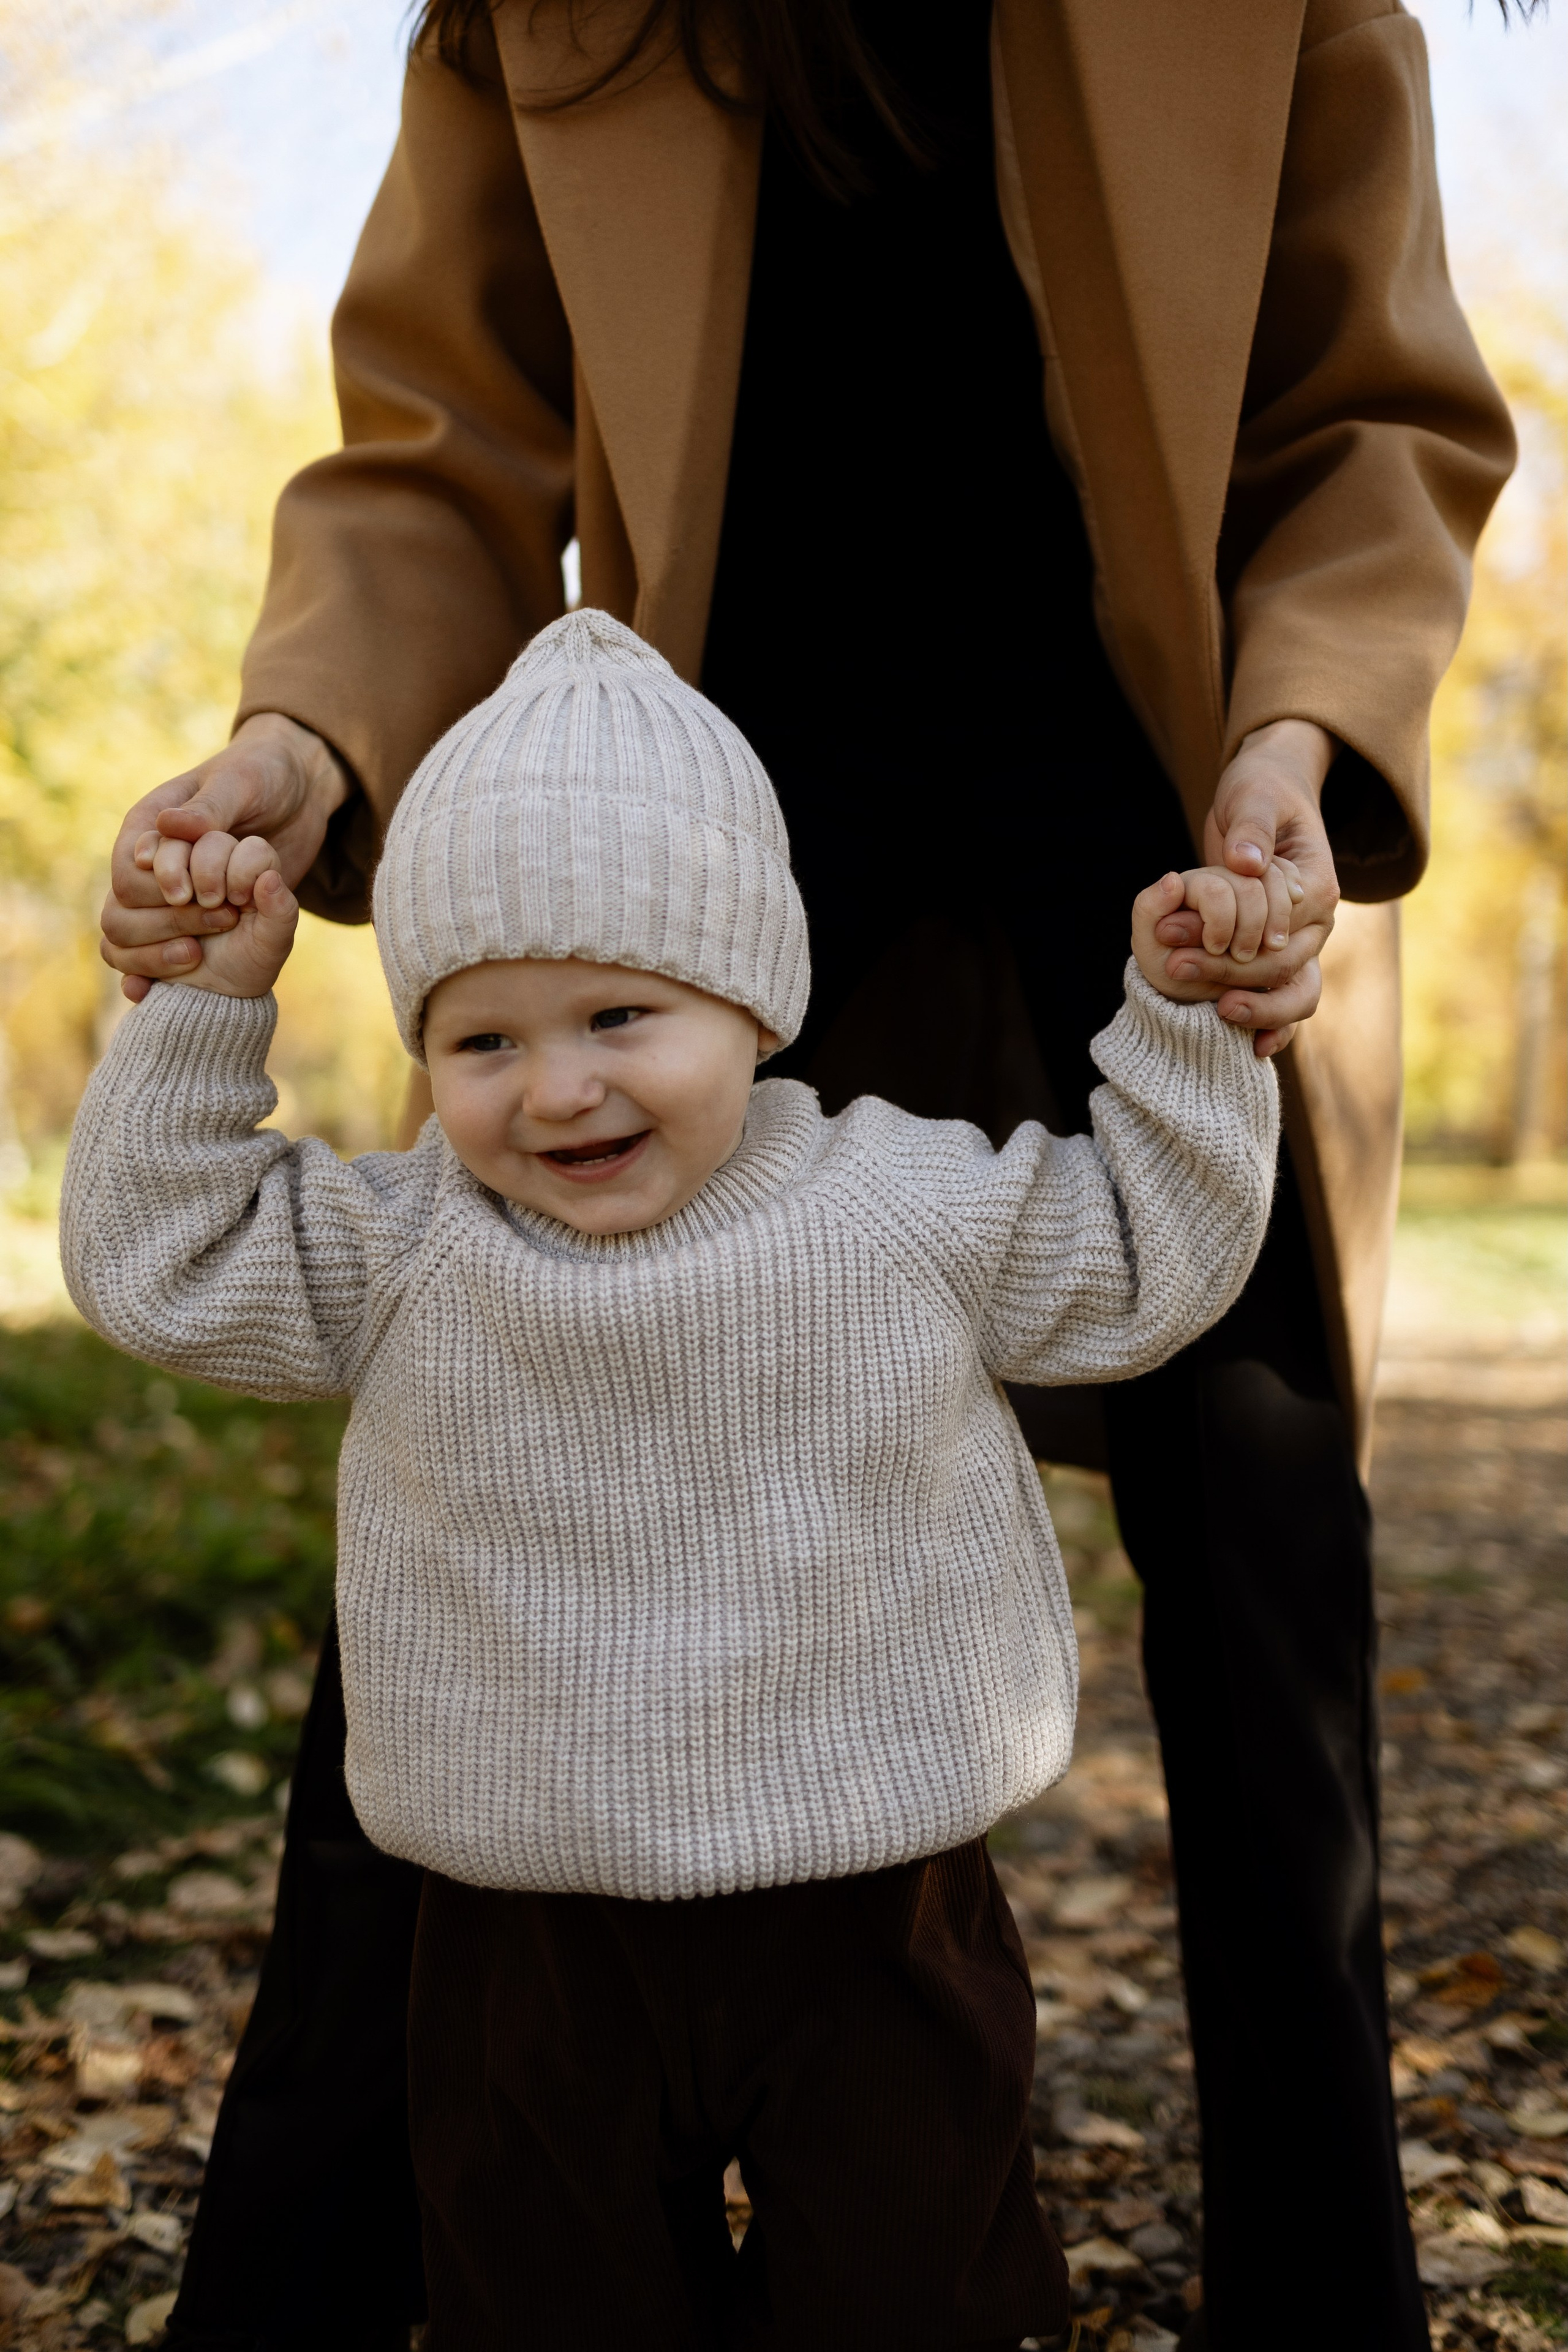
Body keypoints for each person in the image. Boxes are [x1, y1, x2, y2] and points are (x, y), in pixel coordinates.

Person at [94, 4, 1514, 2345]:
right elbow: (442, 445)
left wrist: (1300, 731)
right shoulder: (548, 11)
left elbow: (1367, 410)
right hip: (690, 822)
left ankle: (1324, 2296)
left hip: (1154, 790)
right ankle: (300, 2284)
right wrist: (300, 748)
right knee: (483, 1426)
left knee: (1266, 1536)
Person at [67, 610, 1281, 2351]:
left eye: (620, 1014)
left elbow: (1148, 1249)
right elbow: (156, 1259)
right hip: (524, 1923)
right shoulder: (407, 1245)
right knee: (550, 2299)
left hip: (876, 1894)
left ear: (751, 1000)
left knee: (910, 2283)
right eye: (482, 1042)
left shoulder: (903, 1208)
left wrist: (1187, 1026)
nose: (558, 1087)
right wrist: (205, 1005)